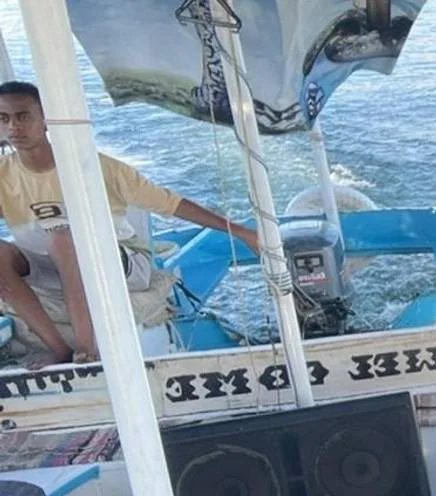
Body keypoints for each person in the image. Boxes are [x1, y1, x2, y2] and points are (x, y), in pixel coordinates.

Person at [0, 80, 260, 367]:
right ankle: (58, 349)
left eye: (23, 116)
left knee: (62, 238)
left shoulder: (95, 167)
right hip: (50, 267)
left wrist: (241, 232)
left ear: (46, 118)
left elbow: (172, 204)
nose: (14, 127)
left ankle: (85, 351)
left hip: (118, 260)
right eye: (4, 119)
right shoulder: (4, 175)